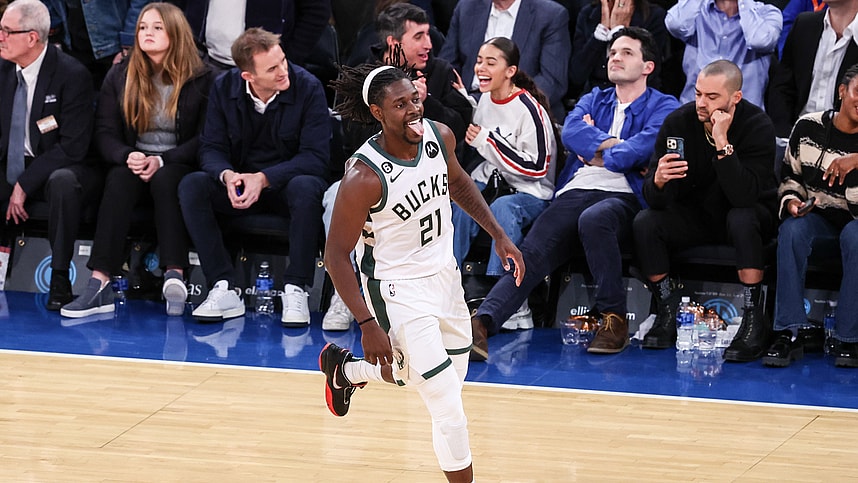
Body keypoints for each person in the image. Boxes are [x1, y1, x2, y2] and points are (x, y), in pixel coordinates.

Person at [319, 62, 524, 483]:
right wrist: (366, 322)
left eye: (414, 98)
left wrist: (499, 234)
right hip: (397, 290)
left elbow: (459, 183)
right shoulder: (362, 177)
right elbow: (336, 255)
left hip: (445, 279)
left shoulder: (439, 135)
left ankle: (348, 372)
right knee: (445, 402)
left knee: (430, 377)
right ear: (378, 113)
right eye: (400, 104)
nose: (414, 108)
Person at [470, 27, 679, 358]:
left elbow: (639, 150)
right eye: (612, 52)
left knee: (595, 220)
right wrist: (613, 148)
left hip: (624, 195)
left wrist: (600, 150)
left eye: (626, 52)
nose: (615, 57)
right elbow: (572, 134)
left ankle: (614, 319)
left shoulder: (664, 105)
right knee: (534, 249)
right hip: (576, 189)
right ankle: (482, 323)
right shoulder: (594, 97)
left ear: (648, 66)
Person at [321, 3, 473, 333]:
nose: (428, 44)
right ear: (394, 44)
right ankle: (345, 296)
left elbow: (460, 127)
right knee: (336, 198)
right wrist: (399, 111)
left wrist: (423, 102)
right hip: (378, 180)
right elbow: (351, 138)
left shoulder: (442, 71)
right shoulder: (367, 78)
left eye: (428, 34)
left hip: (428, 176)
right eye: (418, 36)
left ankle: (442, 291)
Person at [59, 3, 213, 318]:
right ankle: (99, 283)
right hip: (135, 160)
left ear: (175, 32)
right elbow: (104, 132)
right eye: (143, 27)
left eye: (157, 27)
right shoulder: (120, 73)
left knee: (167, 180)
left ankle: (174, 274)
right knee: (117, 179)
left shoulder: (203, 77)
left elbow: (206, 138)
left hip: (180, 161)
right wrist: (127, 155)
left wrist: (164, 159)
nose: (147, 34)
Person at [178, 27, 330, 325]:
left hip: (285, 187)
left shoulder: (308, 87)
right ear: (248, 76)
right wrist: (227, 175)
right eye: (272, 68)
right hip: (240, 186)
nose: (283, 71)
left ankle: (295, 287)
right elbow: (210, 148)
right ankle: (224, 286)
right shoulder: (224, 88)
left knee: (307, 187)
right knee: (192, 185)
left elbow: (316, 158)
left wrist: (263, 178)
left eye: (283, 61)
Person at [633, 60, 778, 362]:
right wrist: (657, 182)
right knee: (646, 223)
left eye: (712, 97)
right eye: (699, 94)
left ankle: (753, 318)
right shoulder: (678, 124)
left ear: (734, 97)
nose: (701, 103)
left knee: (741, 219)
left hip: (747, 214)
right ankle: (667, 308)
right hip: (696, 216)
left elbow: (744, 196)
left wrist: (723, 143)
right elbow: (656, 201)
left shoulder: (757, 125)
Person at [0, 0, 101, 311]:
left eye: (6, 31)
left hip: (66, 164)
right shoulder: (2, 70)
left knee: (62, 183)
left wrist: (24, 184)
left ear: (32, 37)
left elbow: (73, 147)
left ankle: (60, 277)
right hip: (17, 160)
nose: (0, 37)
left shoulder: (71, 74)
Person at [451, 36, 557, 330]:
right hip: (497, 183)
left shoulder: (528, 108)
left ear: (510, 71)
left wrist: (489, 143)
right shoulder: (484, 99)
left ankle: (510, 299)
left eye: (491, 62)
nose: (481, 68)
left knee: (503, 209)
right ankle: (448, 287)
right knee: (460, 204)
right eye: (479, 61)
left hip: (531, 192)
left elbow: (537, 168)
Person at [763, 65, 858, 369]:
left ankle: (849, 338)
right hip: (819, 221)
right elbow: (790, 178)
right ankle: (787, 333)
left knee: (856, 236)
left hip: (854, 226)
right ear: (842, 91)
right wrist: (791, 202)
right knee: (793, 230)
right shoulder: (808, 127)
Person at [440, 0, 571, 120]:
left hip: (522, 113)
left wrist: (499, 104)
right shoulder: (466, 7)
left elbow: (552, 81)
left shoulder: (550, 15)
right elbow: (446, 66)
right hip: (466, 109)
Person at [665, 0, 782, 109]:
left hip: (744, 116)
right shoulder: (696, 13)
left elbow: (759, 41)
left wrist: (743, 4)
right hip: (695, 111)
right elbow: (676, 25)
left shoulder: (767, 14)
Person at [767, 0, 858, 139]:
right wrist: (786, 136)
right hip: (795, 137)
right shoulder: (804, 24)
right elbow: (782, 87)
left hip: (848, 145)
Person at [167, 0, 331, 71]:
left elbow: (317, 11)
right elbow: (173, 6)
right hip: (202, 64)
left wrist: (286, 60)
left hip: (267, 71)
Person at [39, 0, 153, 90]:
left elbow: (142, 3)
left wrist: (129, 42)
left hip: (115, 47)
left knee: (124, 109)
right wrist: (54, 32)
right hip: (72, 48)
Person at [569, 0, 668, 97]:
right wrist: (600, 36)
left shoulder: (653, 15)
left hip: (638, 98)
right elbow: (577, 75)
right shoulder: (588, 13)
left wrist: (619, 32)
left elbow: (650, 72)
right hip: (594, 98)